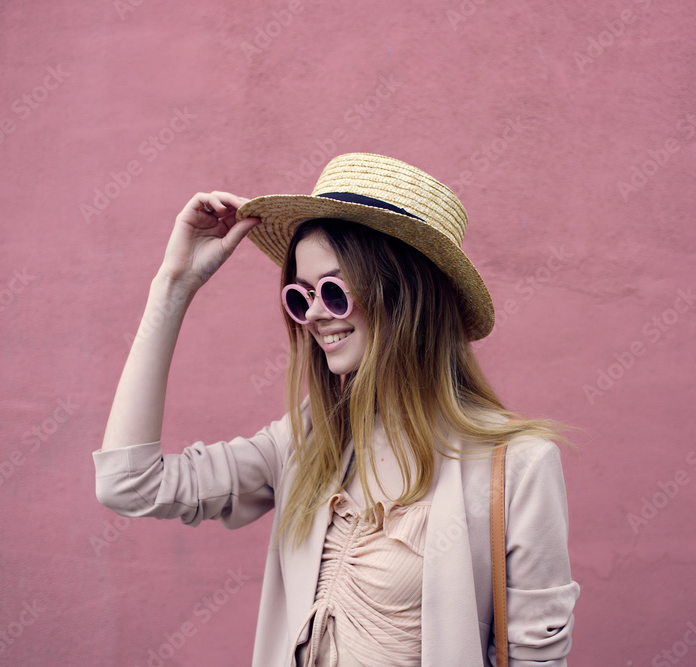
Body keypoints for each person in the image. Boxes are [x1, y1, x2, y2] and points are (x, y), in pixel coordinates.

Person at [93, 153, 580, 666]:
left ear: (406, 293)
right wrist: (173, 288)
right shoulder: (311, 439)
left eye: (333, 291)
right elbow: (130, 484)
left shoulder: (518, 465)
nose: (314, 315)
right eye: (300, 296)